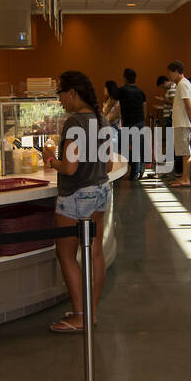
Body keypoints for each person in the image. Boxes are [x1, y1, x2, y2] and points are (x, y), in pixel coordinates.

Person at [43, 70, 114, 334]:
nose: (60, 99)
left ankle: (79, 315)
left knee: (65, 254)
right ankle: (91, 312)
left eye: (60, 93)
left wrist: (49, 157)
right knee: (95, 252)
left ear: (72, 93)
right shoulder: (102, 119)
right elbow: (107, 163)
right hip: (101, 189)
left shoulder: (74, 123)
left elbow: (70, 168)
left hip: (76, 196)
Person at [114, 68, 147, 180]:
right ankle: (137, 169)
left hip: (128, 123)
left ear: (124, 78)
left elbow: (114, 103)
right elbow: (144, 108)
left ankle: (134, 171)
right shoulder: (140, 91)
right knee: (136, 147)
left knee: (126, 148)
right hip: (140, 121)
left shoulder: (121, 91)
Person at [167, 61, 191, 188]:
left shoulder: (183, 84)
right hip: (181, 122)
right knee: (183, 151)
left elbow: (188, 105)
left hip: (183, 123)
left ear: (177, 71)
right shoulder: (183, 84)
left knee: (185, 152)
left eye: (171, 73)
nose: (169, 75)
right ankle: (184, 177)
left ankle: (185, 178)